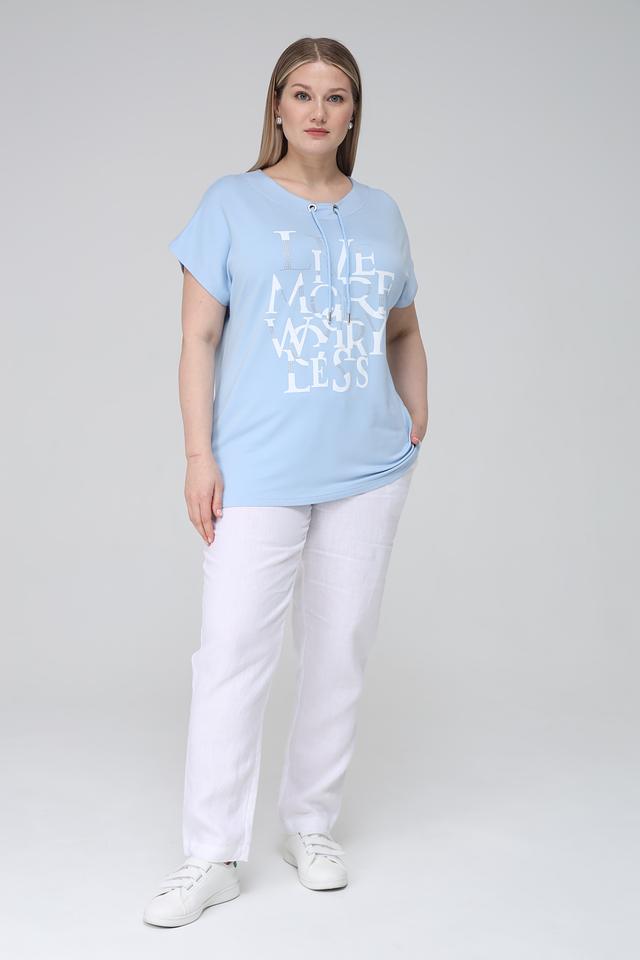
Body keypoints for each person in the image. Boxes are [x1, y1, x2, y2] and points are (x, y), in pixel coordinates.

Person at [143, 36, 429, 927]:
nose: (317, 110)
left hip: (367, 469)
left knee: (339, 648)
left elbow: (403, 327)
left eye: (335, 96)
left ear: (353, 113)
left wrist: (416, 416)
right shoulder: (229, 203)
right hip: (258, 468)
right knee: (232, 653)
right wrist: (199, 456)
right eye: (301, 93)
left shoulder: (382, 213)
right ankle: (212, 854)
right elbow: (198, 337)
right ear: (276, 105)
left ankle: (311, 825)